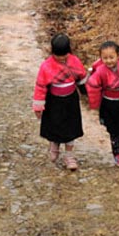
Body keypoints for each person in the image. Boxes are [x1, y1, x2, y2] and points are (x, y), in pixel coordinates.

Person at [32, 33, 86, 170]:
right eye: (58, 56)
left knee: (70, 128)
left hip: (70, 101)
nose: (61, 58)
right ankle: (54, 145)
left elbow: (81, 77)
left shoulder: (74, 61)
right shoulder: (46, 66)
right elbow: (40, 86)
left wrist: (87, 91)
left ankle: (69, 155)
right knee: (54, 126)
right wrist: (38, 106)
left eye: (64, 55)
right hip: (53, 102)